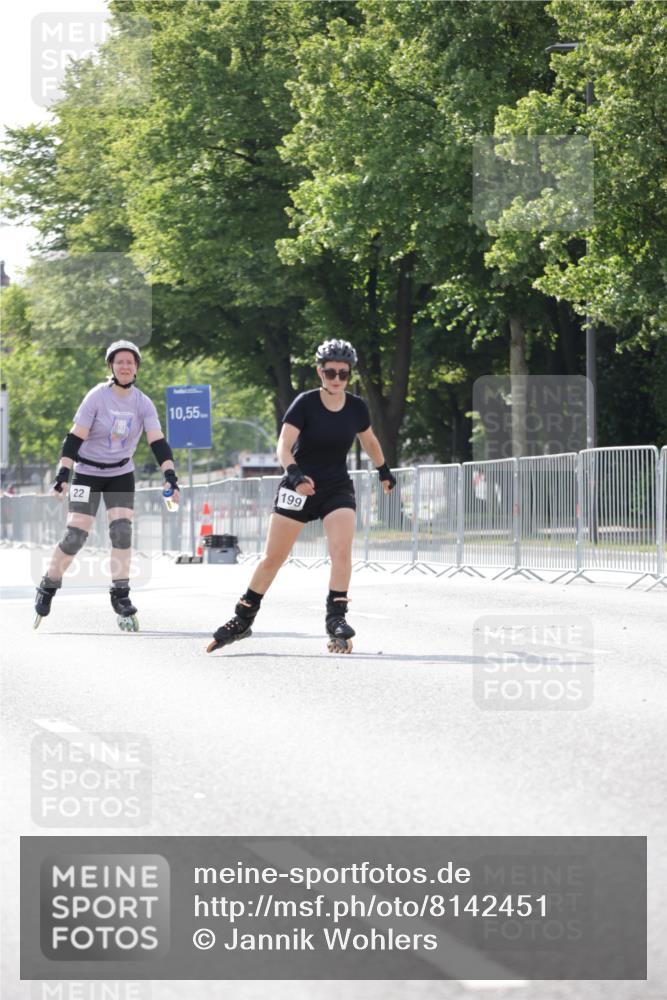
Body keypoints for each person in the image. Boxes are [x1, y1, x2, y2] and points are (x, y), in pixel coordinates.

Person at [207, 339, 396, 654]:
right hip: (298, 486)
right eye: (331, 372)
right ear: (320, 371)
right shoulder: (305, 403)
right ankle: (242, 618)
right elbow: (283, 445)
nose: (337, 379)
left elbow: (370, 440)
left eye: (344, 373)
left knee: (341, 550)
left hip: (336, 487)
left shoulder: (356, 407)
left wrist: (384, 471)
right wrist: (294, 475)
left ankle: (336, 618)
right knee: (273, 558)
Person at [33, 340, 180, 631]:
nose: (125, 366)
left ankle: (121, 594)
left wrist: (170, 476)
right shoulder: (96, 397)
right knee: (75, 535)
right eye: (120, 362)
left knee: (122, 531)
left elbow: (158, 441)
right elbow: (74, 438)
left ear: (137, 368)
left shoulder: (142, 402)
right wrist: (63, 474)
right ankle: (49, 584)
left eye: (130, 362)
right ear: (111, 366)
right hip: (87, 472)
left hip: (120, 472)